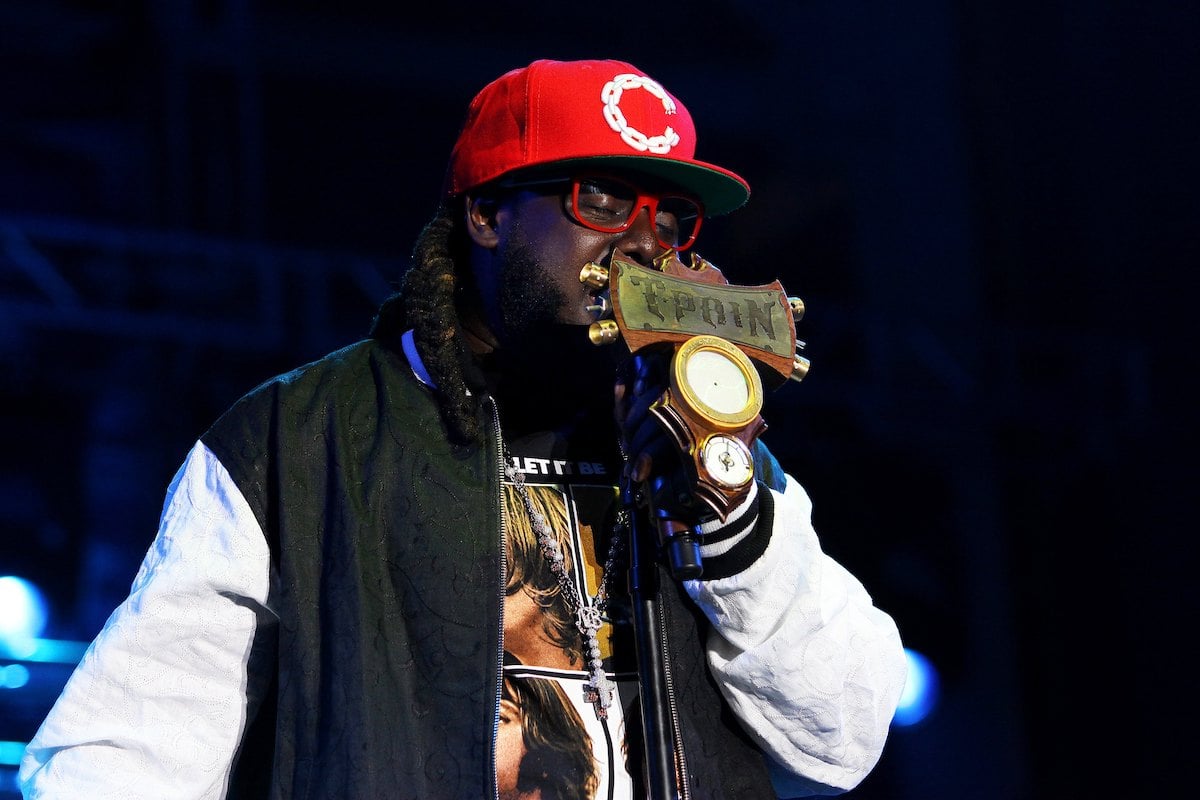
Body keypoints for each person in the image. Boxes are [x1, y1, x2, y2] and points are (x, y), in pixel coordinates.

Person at [19, 58, 907, 799]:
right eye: (599, 200)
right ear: (486, 214)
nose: (643, 244)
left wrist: (732, 520)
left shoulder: (710, 457)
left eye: (668, 219)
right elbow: (123, 753)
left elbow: (841, 740)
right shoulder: (298, 441)